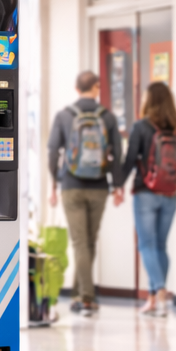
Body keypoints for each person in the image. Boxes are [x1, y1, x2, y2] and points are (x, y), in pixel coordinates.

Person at [47, 70, 123, 316]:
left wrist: (53, 184)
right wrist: (117, 184)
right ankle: (82, 295)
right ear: (97, 87)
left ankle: (85, 297)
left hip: (71, 185)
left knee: (81, 242)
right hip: (99, 187)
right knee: (89, 241)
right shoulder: (108, 117)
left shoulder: (64, 115)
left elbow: (53, 151)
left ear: (76, 88)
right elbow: (117, 154)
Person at [119, 81, 176, 315]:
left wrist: (117, 185)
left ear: (148, 100)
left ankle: (160, 292)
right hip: (170, 194)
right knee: (160, 246)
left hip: (146, 192)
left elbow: (130, 160)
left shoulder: (141, 126)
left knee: (146, 245)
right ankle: (153, 299)